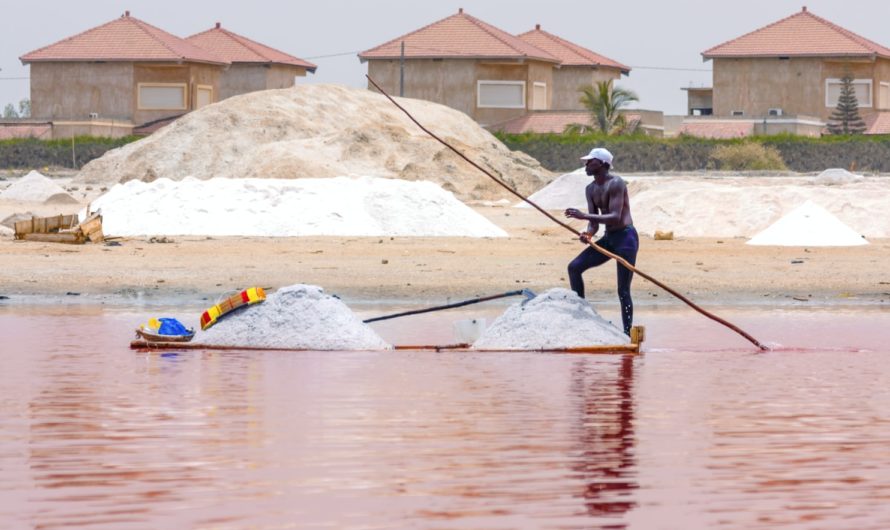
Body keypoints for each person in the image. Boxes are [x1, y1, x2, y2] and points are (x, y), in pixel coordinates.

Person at [564, 147, 639, 335]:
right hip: (609, 238)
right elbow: (594, 223)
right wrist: (588, 234)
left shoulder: (616, 183)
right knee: (574, 267)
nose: (586, 164)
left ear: (604, 164)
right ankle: (581, 315)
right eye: (587, 161)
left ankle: (627, 334)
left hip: (626, 239)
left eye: (591, 161)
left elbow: (614, 216)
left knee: (623, 290)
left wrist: (582, 216)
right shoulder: (590, 189)